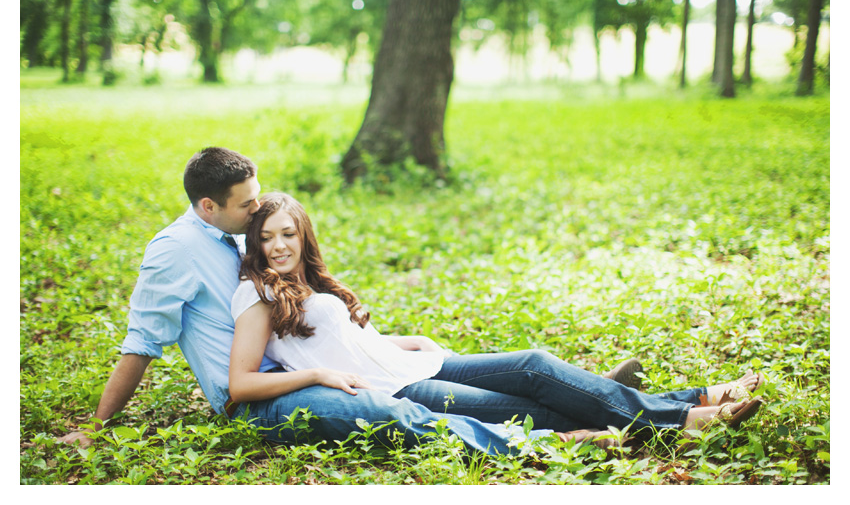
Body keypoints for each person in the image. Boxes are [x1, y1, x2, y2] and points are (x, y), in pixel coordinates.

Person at [56, 147, 651, 455]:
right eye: (248, 208)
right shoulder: (174, 252)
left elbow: (310, 319)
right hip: (263, 393)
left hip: (314, 368)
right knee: (402, 414)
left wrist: (382, 342)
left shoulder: (247, 241)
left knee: (518, 375)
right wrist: (99, 425)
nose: (260, 217)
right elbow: (142, 342)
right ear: (208, 206)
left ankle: (612, 403)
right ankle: (573, 434)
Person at [228, 192, 765, 450]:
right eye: (267, 237)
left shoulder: (311, 280)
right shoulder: (255, 294)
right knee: (531, 407)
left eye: (287, 234)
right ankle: (685, 414)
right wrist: (318, 378)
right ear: (256, 243)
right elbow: (242, 383)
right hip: (406, 389)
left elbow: (339, 339)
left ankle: (675, 402)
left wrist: (401, 339)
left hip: (413, 363)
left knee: (534, 363)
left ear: (304, 235)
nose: (278, 246)